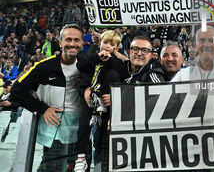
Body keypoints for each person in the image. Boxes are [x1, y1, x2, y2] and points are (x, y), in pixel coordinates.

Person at [11, 24, 84, 171]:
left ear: (82, 42)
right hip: (53, 136)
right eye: (68, 39)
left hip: (79, 135)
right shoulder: (43, 67)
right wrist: (43, 108)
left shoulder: (86, 66)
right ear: (60, 42)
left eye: (77, 40)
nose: (72, 44)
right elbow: (16, 91)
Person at [94, 35, 165, 171]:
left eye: (144, 50)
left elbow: (160, 99)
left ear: (151, 55)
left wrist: (118, 99)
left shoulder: (153, 73)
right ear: (129, 51)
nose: (139, 53)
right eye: (135, 49)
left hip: (135, 140)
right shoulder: (117, 68)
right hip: (107, 136)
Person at [74, 30, 126, 172]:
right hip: (90, 100)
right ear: (100, 43)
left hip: (107, 105)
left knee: (102, 135)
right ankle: (81, 158)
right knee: (84, 125)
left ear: (116, 48)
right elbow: (80, 67)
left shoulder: (115, 62)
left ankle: (104, 161)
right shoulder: (92, 56)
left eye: (111, 44)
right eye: (105, 43)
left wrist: (110, 59)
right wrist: (96, 58)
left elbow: (120, 74)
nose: (107, 46)